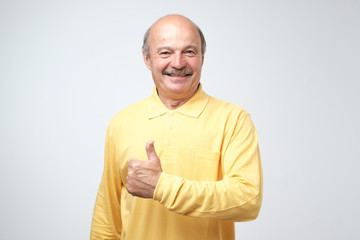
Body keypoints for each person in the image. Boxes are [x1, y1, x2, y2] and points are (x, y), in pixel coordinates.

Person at [90, 14, 263, 240]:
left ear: (202, 58)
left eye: (189, 51)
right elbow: (107, 216)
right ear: (147, 59)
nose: (178, 63)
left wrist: (162, 187)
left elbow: (247, 200)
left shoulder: (234, 120)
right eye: (165, 52)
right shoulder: (121, 122)